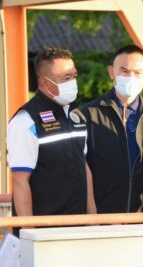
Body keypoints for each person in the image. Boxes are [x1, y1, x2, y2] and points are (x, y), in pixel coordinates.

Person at [8, 46, 96, 219]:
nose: (73, 82)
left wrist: (93, 218)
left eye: (74, 76)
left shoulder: (75, 115)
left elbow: (83, 166)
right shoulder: (26, 120)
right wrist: (29, 229)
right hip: (45, 227)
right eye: (66, 78)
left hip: (78, 224)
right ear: (45, 82)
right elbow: (20, 181)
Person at [81, 44, 143, 213]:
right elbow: (81, 167)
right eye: (124, 71)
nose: (130, 77)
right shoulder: (88, 114)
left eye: (137, 72)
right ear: (111, 72)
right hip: (102, 215)